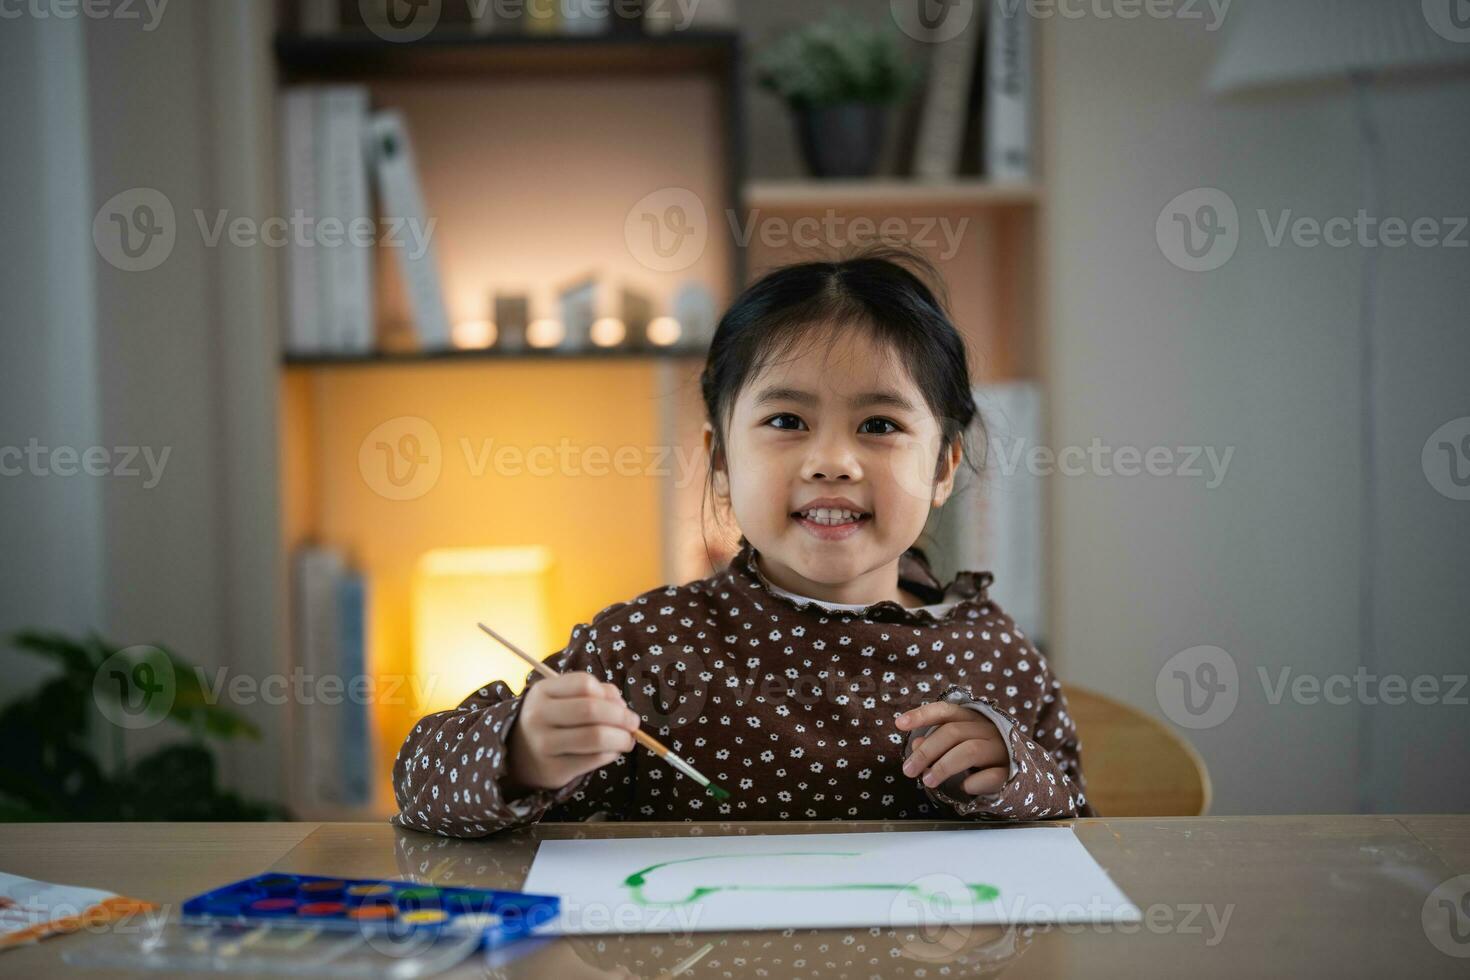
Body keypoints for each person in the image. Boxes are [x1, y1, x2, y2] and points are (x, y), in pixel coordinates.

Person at [393, 246, 1092, 837]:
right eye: (787, 420)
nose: (832, 461)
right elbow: (420, 782)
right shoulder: (647, 645)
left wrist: (1014, 775)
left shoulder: (996, 652)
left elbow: (1080, 822)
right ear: (721, 460)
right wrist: (521, 752)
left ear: (943, 466)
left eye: (879, 425)